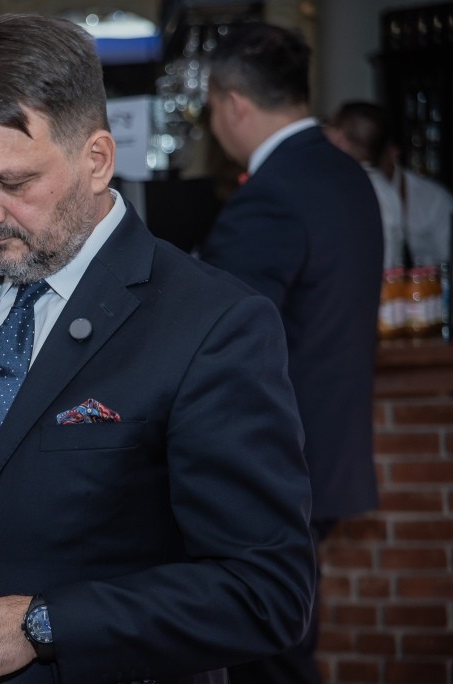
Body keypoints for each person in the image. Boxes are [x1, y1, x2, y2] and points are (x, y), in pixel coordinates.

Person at [0, 13, 315, 684]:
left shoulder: (213, 323)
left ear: (96, 160)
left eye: (11, 183)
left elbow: (265, 592)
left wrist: (42, 626)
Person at [199, 24, 383, 684]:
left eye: (211, 109)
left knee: (265, 650)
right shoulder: (346, 174)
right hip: (327, 453)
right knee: (284, 637)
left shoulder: (271, 194)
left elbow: (221, 336)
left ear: (233, 104)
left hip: (274, 462)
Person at [325, 100, 453, 268]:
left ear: (339, 138)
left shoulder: (353, 189)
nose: (321, 132)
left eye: (327, 125)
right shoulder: (380, 188)